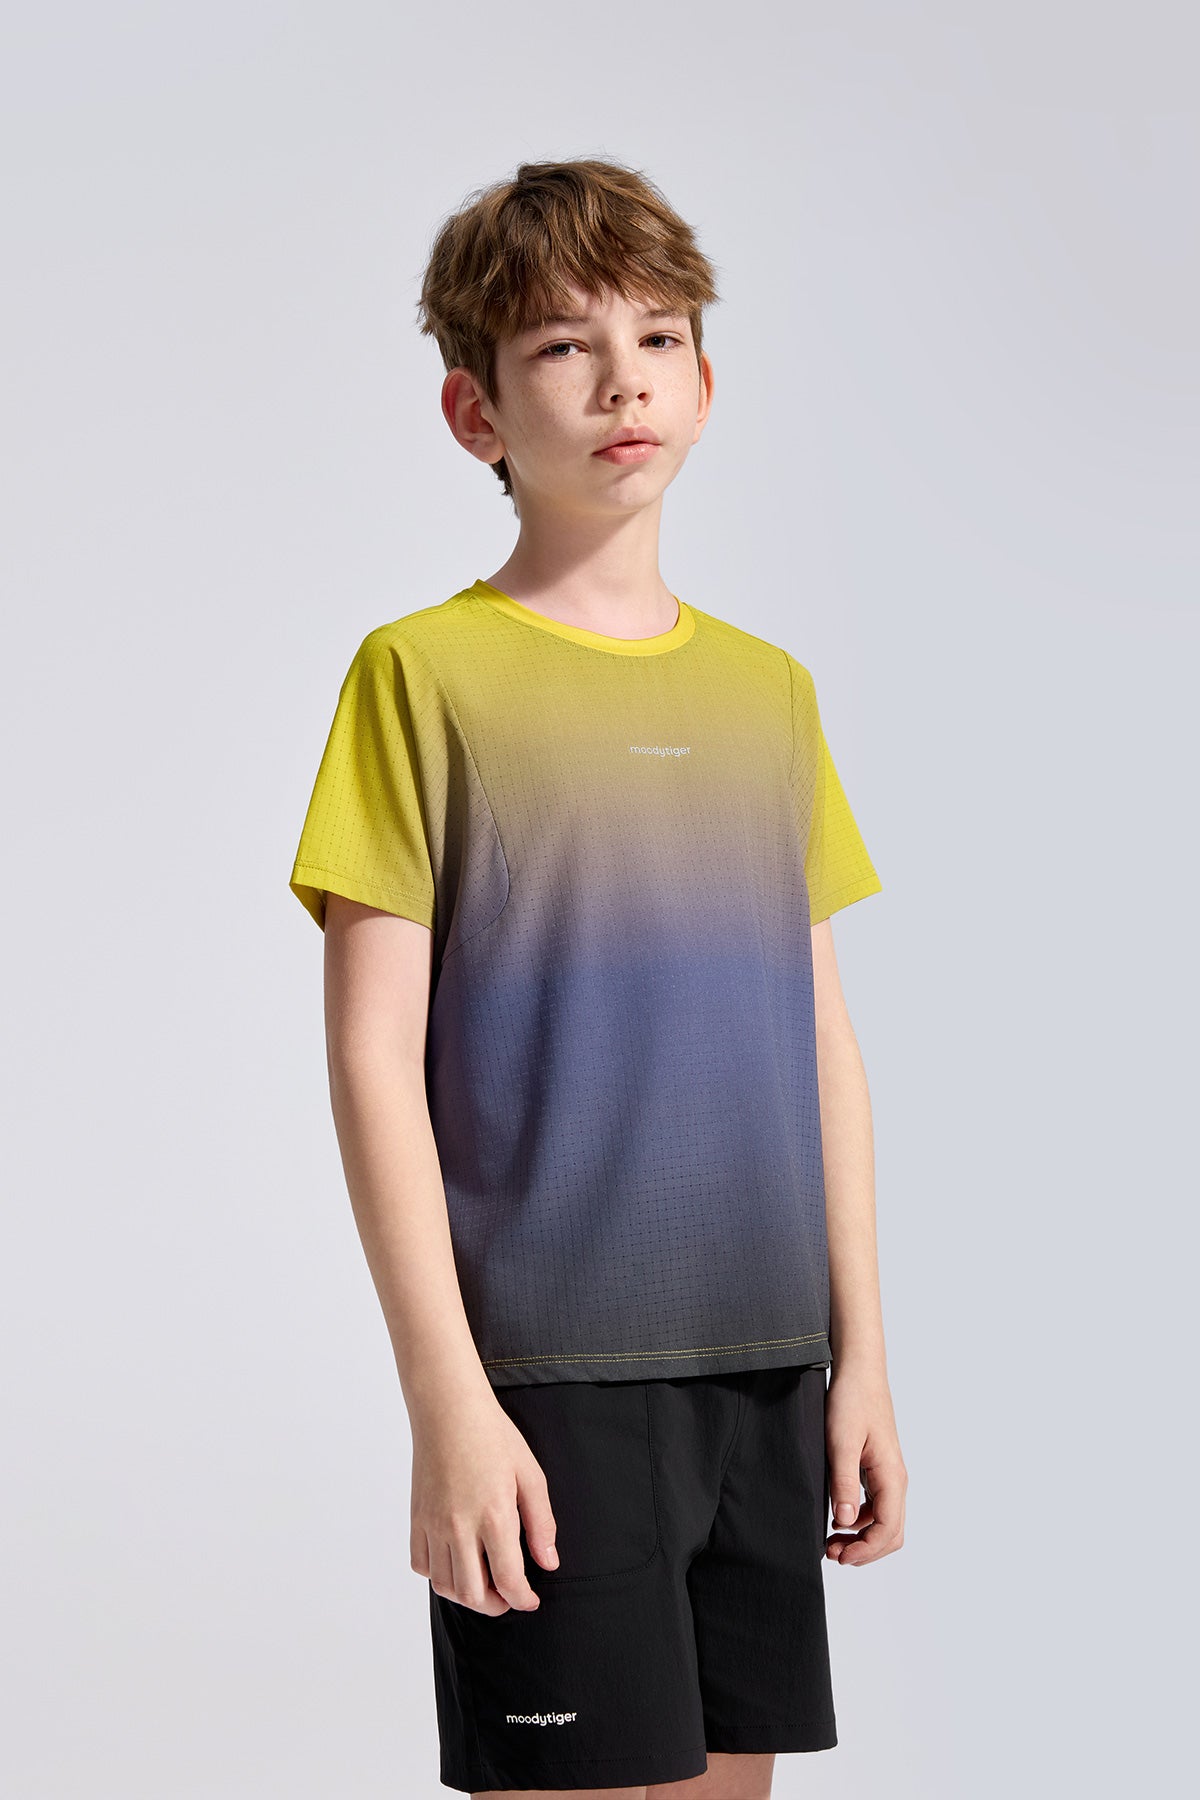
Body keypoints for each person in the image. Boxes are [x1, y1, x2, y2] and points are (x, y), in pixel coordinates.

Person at [288, 156, 907, 1800]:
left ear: (705, 381)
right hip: (551, 1381)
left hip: (766, 1366)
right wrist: (446, 1397)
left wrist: (862, 1356)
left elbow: (821, 1043)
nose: (623, 377)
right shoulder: (421, 678)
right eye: (563, 345)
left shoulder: (773, 694)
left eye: (658, 335)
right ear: (474, 411)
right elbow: (372, 1060)